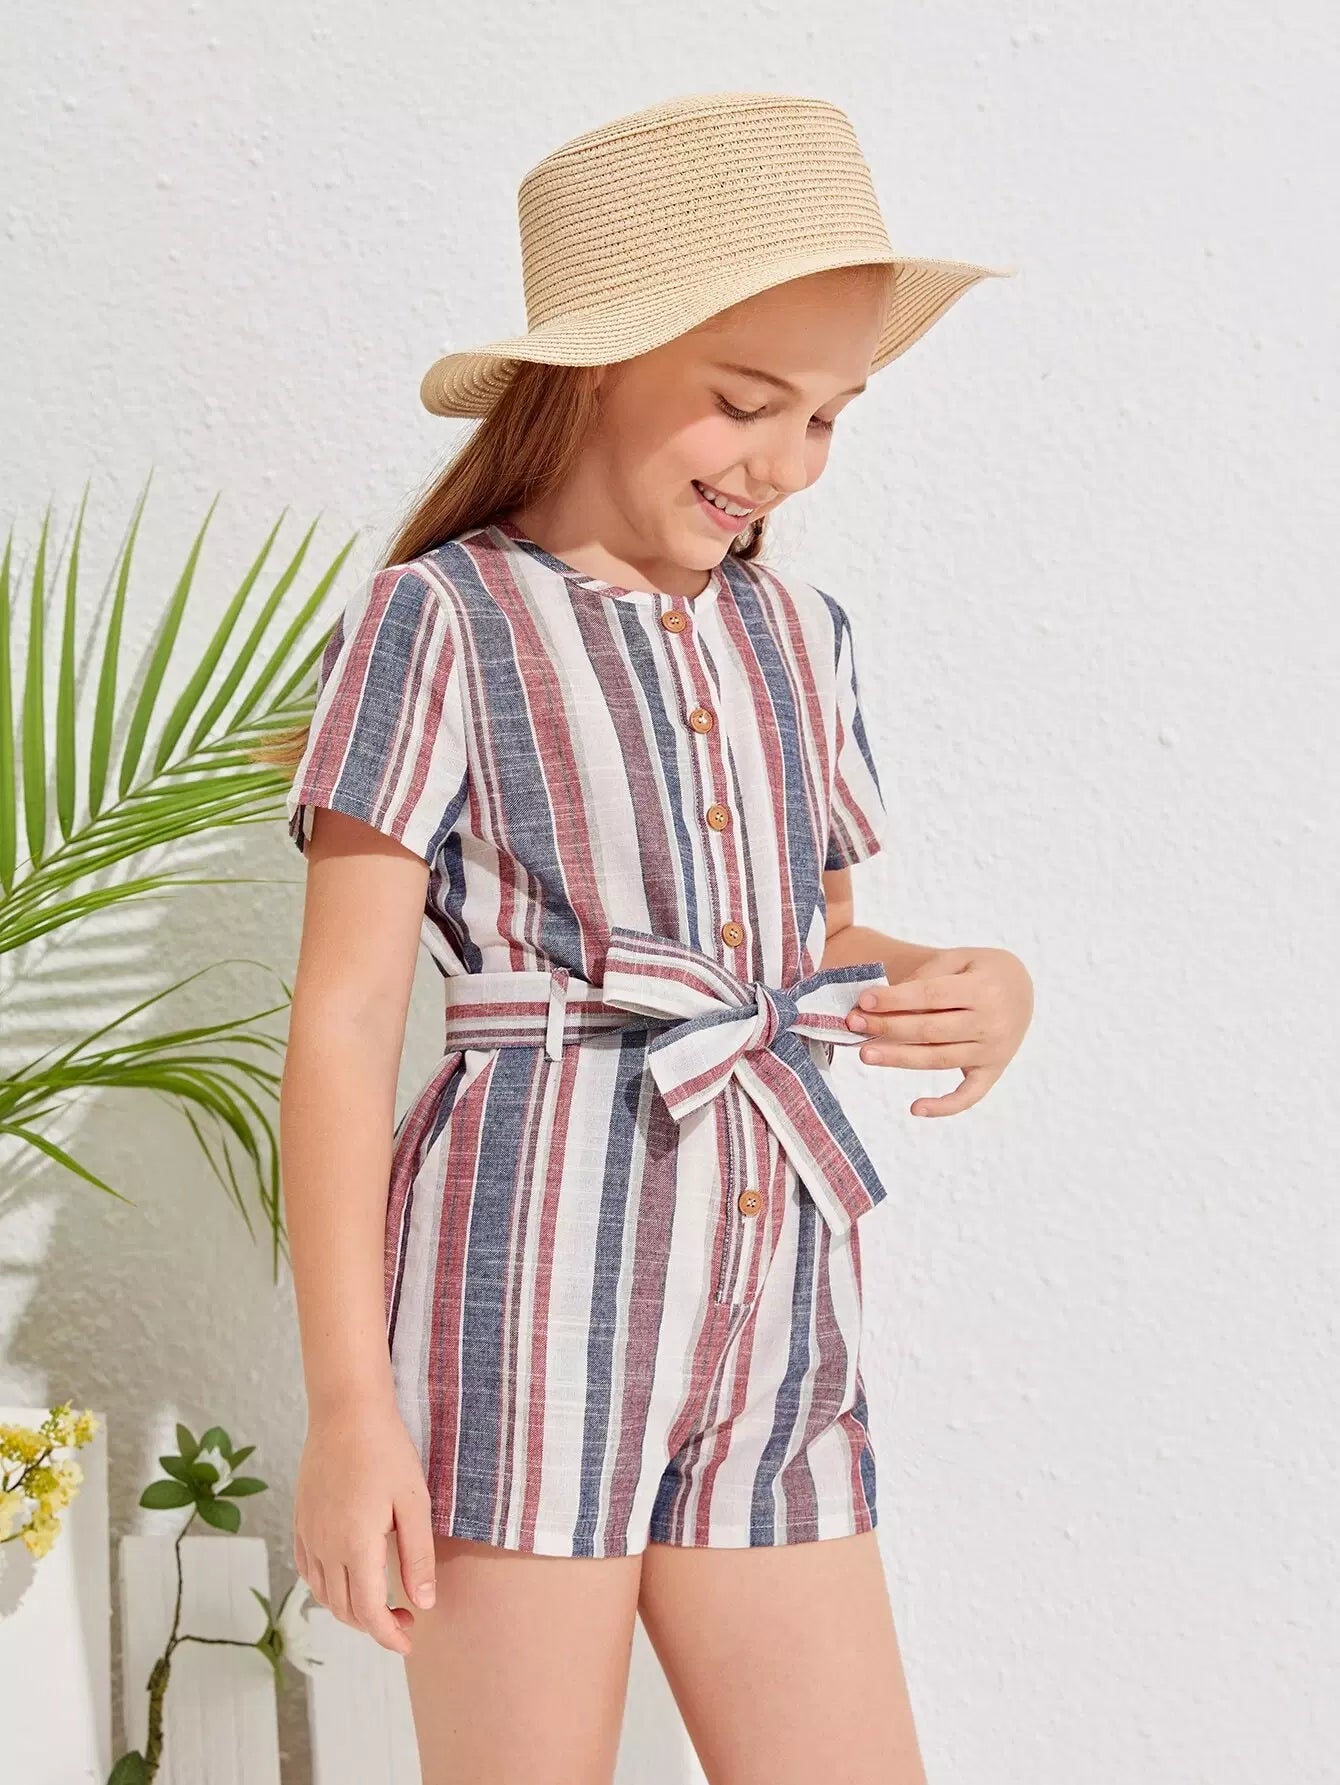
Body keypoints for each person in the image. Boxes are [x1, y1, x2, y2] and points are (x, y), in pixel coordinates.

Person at [262, 90, 1034, 1784]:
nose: (788, 464)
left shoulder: (804, 636)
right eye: (748, 403)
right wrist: (349, 1408)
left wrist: (960, 988)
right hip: (532, 1295)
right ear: (594, 367)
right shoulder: (438, 619)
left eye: (827, 417)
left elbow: (808, 950)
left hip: (778, 1307)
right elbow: (342, 1022)